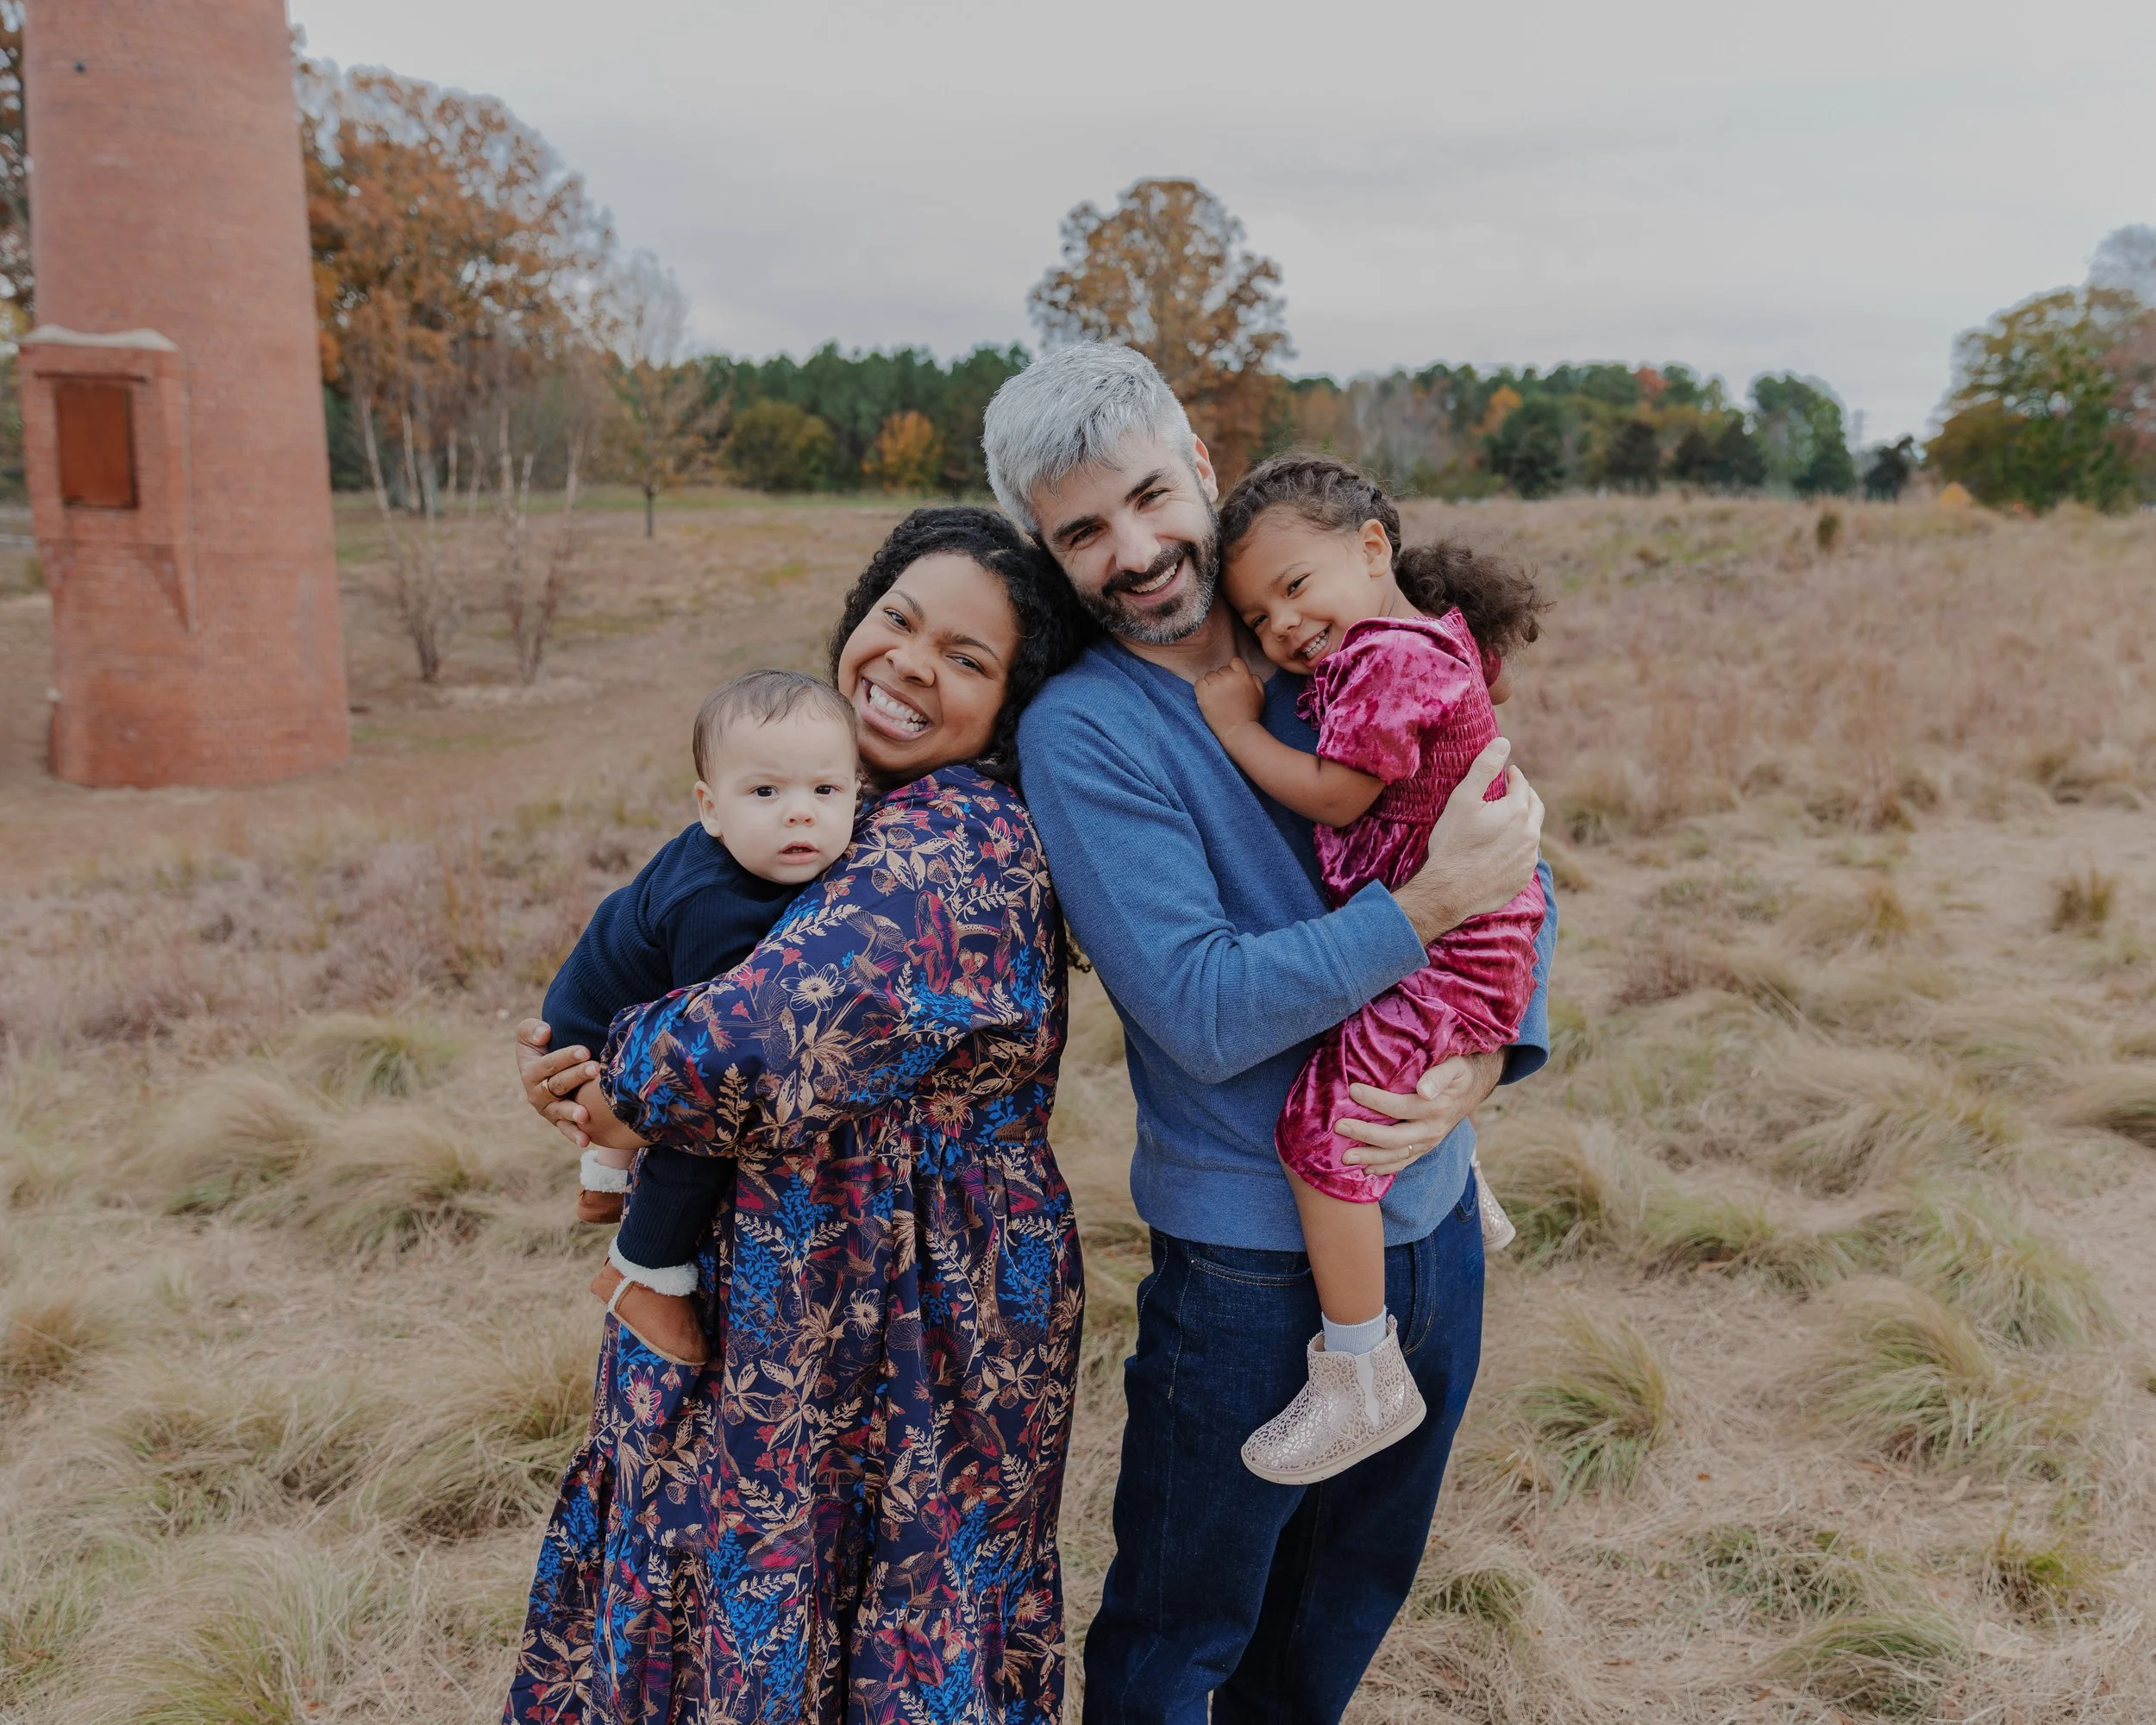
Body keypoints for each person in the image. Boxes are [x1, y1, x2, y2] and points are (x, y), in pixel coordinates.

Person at [984, 344, 1555, 1724]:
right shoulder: (1088, 733)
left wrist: (1490, 1052)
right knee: (1185, 1643)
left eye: (1144, 496)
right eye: (1080, 532)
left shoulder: (1332, 637)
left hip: (1426, 1232)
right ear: (1046, 555)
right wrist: (1422, 913)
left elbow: (1512, 853)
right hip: (1249, 1264)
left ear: (1202, 469)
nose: (1131, 549)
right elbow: (1205, 1007)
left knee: (1338, 1619)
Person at [505, 506, 1094, 1724]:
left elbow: (746, 1047)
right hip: (792, 1296)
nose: (911, 664)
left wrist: (606, 1071)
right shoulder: (822, 800)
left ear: (1011, 704)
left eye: (968, 659)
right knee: (735, 1599)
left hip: (907, 1314)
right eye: (897, 619)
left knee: (881, 1614)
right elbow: (659, 928)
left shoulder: (962, 842)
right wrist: (573, 1045)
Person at [1193, 455, 1549, 1485]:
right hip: (1463, 937)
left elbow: (1339, 798)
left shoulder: (1387, 663)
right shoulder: (1410, 647)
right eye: (1258, 619)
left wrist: (1233, 724)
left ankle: (1361, 1370)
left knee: (1318, 1130)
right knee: (1376, 1072)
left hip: (1453, 945)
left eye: (1295, 588)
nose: (1283, 631)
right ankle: (1455, 1176)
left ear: (1372, 546)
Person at [543, 668, 860, 1367]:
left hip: (600, 1015)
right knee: (712, 1104)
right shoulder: (714, 904)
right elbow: (700, 1062)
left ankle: (607, 1174)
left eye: (826, 791)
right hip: (583, 1047)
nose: (800, 812)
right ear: (710, 809)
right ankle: (644, 1267)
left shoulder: (749, 862)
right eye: (766, 792)